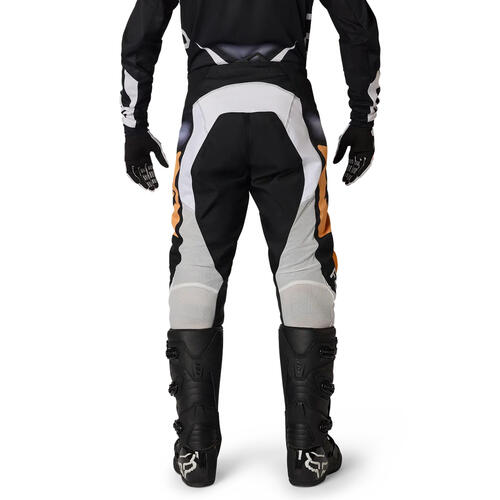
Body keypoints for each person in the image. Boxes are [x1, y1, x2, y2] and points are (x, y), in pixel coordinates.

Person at [121, 0, 380, 487]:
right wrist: (363, 118)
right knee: (303, 266)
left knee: (196, 268)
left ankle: (195, 451)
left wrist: (133, 126)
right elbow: (357, 24)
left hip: (206, 115)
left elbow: (141, 31)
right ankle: (308, 449)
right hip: (287, 111)